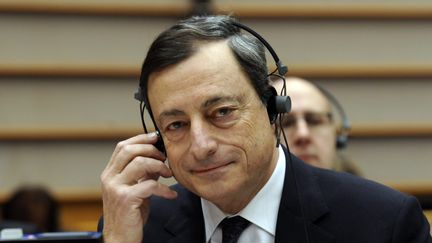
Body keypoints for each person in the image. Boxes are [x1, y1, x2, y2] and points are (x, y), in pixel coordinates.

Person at [99, 15, 431, 242]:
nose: (200, 146)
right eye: (176, 125)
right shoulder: (139, 227)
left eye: (222, 112)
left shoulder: (383, 223)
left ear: (272, 108)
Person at [272, 76, 362, 176]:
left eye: (314, 121)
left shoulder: (365, 190)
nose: (303, 134)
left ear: (337, 135)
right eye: (286, 123)